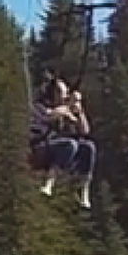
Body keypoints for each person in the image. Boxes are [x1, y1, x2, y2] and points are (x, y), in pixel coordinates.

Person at [29, 74, 96, 209]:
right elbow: (49, 115)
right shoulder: (40, 106)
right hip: (39, 149)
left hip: (59, 150)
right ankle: (49, 182)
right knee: (70, 144)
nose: (65, 96)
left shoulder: (65, 111)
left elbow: (84, 131)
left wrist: (79, 111)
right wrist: (66, 109)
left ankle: (83, 190)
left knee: (88, 146)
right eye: (62, 92)